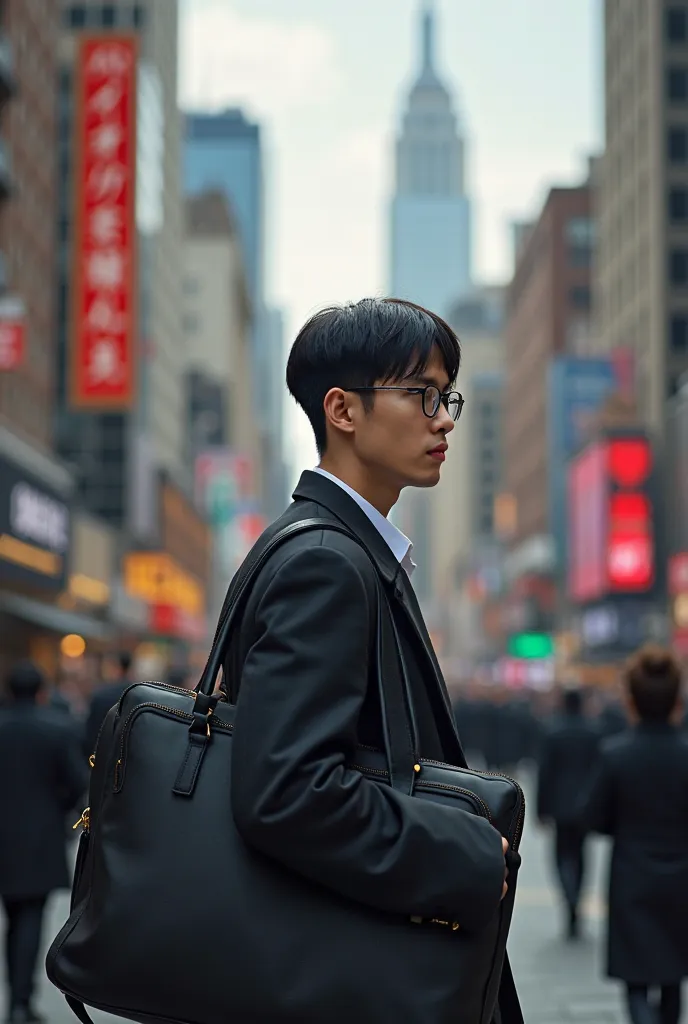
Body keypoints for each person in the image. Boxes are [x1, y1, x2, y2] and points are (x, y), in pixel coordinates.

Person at [221, 298, 520, 1023]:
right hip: (351, 980)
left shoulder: (334, 546)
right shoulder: (326, 562)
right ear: (342, 410)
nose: (445, 418)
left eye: (446, 396)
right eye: (422, 395)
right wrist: (470, 854)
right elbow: (287, 793)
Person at [581, 646, 688, 1024]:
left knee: (637, 981)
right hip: (682, 879)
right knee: (674, 977)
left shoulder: (615, 754)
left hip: (633, 878)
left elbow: (594, 818)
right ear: (678, 702)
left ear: (631, 703)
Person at [0, 661, 87, 1024]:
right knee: (30, 917)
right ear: (41, 692)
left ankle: (17, 999)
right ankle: (21, 1002)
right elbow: (78, 781)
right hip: (40, 836)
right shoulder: (57, 729)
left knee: (12, 916)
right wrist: (61, 813)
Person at [537, 687, 600, 939]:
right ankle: (577, 896)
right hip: (584, 806)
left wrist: (541, 809)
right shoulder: (593, 733)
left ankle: (568, 894)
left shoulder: (553, 733)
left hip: (559, 805)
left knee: (561, 855)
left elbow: (545, 774)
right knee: (582, 855)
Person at [83, 651, 132, 757]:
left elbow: (90, 734)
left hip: (102, 756)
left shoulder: (101, 695)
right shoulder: (135, 694)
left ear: (116, 667)